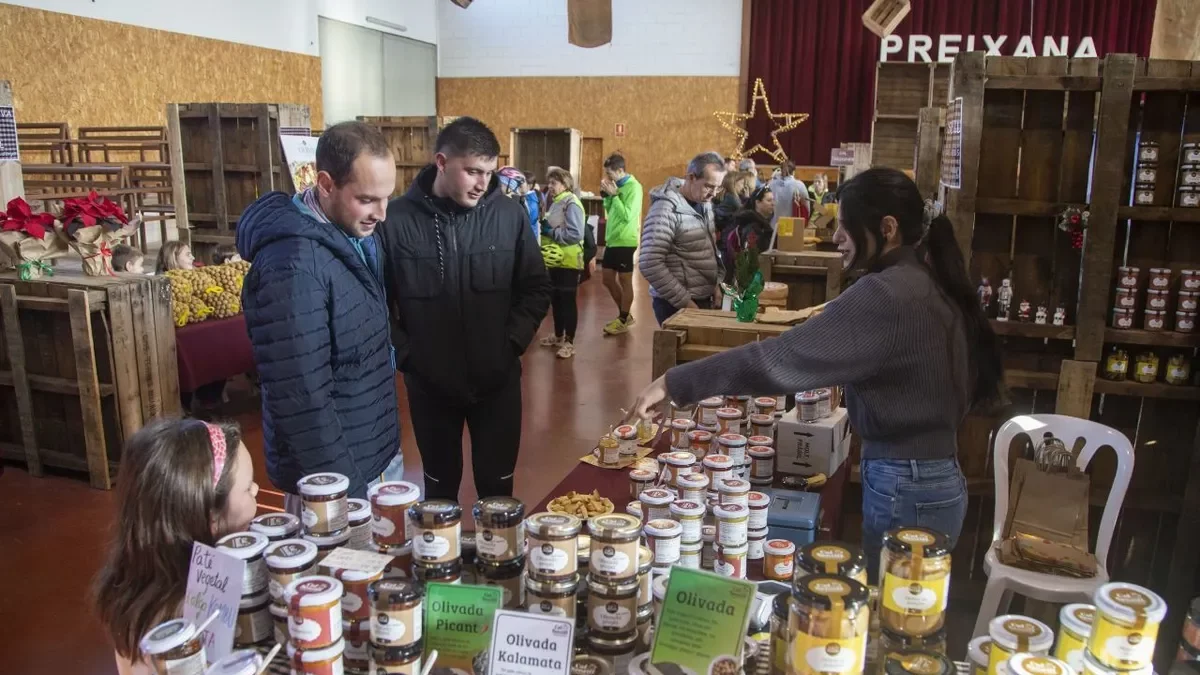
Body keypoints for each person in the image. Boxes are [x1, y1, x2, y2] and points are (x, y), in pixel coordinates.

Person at [630, 168, 1003, 581]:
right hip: (931, 478)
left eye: (845, 226)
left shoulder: (886, 294)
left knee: (900, 609)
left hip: (906, 486)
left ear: (888, 229)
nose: (836, 236)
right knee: (910, 607)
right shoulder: (927, 280)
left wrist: (675, 382)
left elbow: (777, 359)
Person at [379, 116, 551, 501]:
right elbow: (378, 304)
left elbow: (536, 287)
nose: (482, 183)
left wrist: (510, 343)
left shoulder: (508, 216)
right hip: (430, 389)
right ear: (441, 162)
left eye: (489, 173)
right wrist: (409, 356)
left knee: (498, 492)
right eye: (472, 171)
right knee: (439, 493)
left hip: (497, 384)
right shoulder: (396, 221)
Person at [237, 121, 402, 501]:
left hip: (374, 453)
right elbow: (302, 401)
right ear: (325, 184)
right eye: (367, 199)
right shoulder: (292, 267)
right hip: (335, 480)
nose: (381, 213)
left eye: (387, 198)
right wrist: (344, 496)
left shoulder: (354, 235)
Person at [93, 417, 259, 675]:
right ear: (211, 516)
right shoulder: (186, 622)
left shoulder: (136, 587)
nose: (257, 489)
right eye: (248, 488)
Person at [639, 151, 727, 326]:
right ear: (691, 177)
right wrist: (686, 304)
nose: (713, 194)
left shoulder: (704, 203)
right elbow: (649, 263)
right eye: (709, 186)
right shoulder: (665, 210)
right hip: (676, 304)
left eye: (718, 188)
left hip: (700, 298)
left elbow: (707, 248)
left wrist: (715, 284)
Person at [537, 166, 586, 359]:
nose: (550, 186)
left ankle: (570, 342)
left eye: (554, 183)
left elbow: (576, 234)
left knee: (567, 301)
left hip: (569, 260)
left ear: (565, 184)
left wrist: (552, 233)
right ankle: (558, 336)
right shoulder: (556, 202)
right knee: (556, 300)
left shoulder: (571, 203)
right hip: (554, 259)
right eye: (549, 183)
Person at [599, 153, 643, 335]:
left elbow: (627, 216)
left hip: (625, 240)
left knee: (625, 280)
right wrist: (607, 197)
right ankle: (625, 315)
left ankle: (623, 318)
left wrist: (615, 196)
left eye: (610, 173)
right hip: (612, 239)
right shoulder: (617, 186)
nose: (608, 177)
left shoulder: (634, 187)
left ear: (620, 170)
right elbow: (611, 212)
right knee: (607, 279)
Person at [722, 185, 775, 282]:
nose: (773, 203)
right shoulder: (752, 225)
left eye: (773, 200)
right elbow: (754, 254)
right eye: (769, 200)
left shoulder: (760, 222)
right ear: (757, 202)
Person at [769, 160, 810, 226]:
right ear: (793, 172)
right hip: (792, 226)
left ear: (780, 170)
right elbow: (806, 209)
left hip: (774, 225)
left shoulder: (771, 184)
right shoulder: (799, 185)